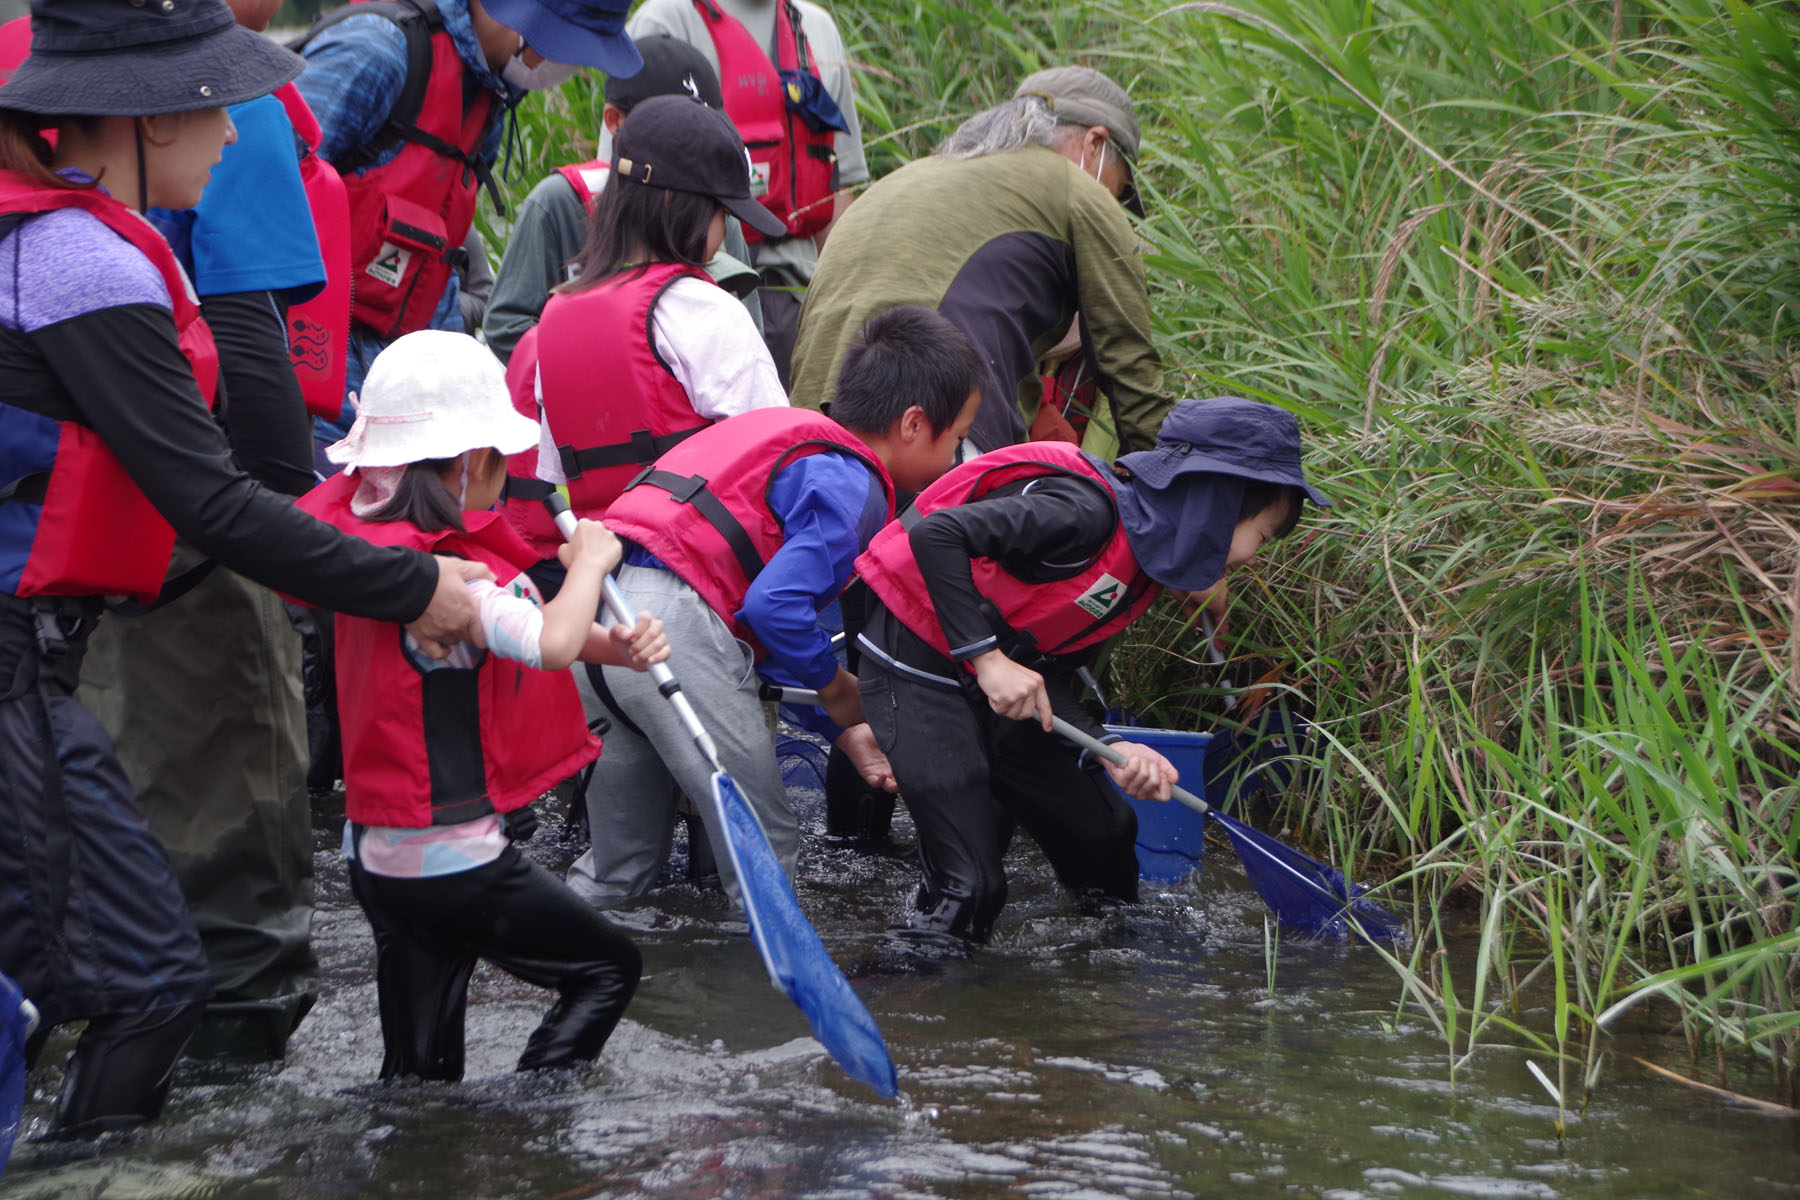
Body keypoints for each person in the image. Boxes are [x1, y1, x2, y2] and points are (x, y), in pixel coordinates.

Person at [0, 0, 487, 1140]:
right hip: (13, 677)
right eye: (216, 105)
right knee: (139, 985)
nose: (235, 133)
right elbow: (212, 501)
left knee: (74, 979)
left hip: (38, 670)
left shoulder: (44, 240)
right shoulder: (79, 264)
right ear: (141, 120)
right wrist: (421, 587)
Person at [70, 0, 333, 1064]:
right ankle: (229, 1057)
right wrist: (296, 538)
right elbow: (247, 338)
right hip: (178, 547)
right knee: (219, 917)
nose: (232, 125)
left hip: (63, 586)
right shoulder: (90, 254)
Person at [296, 330, 663, 1083]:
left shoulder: (379, 562)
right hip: (450, 860)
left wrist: (616, 646)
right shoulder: (459, 581)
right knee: (607, 970)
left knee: (419, 1076)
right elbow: (549, 643)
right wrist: (591, 564)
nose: (507, 475)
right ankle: (533, 1132)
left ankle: (432, 1157)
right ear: (469, 465)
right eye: (501, 460)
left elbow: (540, 635)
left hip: (377, 858)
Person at [853, 398, 1329, 953]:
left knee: (1106, 832)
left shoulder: (1142, 566)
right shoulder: (1082, 513)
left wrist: (1110, 745)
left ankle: (1108, 963)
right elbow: (936, 537)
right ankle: (899, 1001)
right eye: (1264, 537)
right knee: (972, 888)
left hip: (999, 684)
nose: (1255, 558)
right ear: (1220, 506)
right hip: (916, 662)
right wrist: (986, 658)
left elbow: (1045, 666)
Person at [565, 305, 985, 910]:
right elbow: (775, 608)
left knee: (617, 867)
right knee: (765, 845)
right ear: (915, 424)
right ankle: (761, 1005)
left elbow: (762, 622)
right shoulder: (853, 481)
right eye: (958, 437)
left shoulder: (786, 436)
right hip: (673, 633)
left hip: (597, 622)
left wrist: (842, 730)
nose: (956, 457)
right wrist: (839, 689)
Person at [293, 0, 641, 459]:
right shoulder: (377, 51)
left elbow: (438, 258)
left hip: (395, 370)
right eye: (563, 43)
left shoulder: (487, 91)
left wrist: (455, 399)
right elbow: (259, 202)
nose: (568, 67)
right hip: (309, 365)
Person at [790, 66, 1170, 459]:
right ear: (1095, 144)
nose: (1116, 203)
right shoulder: (1078, 189)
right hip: (930, 424)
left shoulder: (912, 176)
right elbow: (1129, 365)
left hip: (810, 424)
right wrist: (1171, 486)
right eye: (1120, 188)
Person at [604, 0, 868, 386]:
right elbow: (620, 176)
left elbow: (838, 191)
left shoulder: (817, 28)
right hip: (695, 293)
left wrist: (850, 315)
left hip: (805, 297)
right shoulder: (664, 21)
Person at [482, 33, 762, 365]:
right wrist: (594, 364)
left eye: (706, 127)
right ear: (615, 121)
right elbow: (505, 324)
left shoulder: (716, 208)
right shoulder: (558, 203)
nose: (693, 143)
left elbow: (748, 331)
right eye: (674, 131)